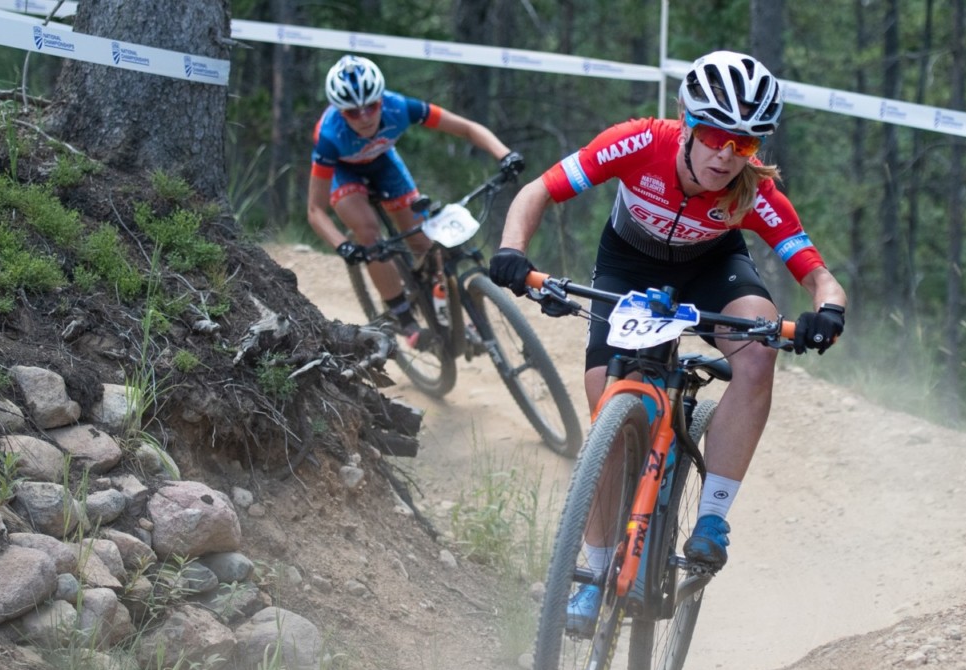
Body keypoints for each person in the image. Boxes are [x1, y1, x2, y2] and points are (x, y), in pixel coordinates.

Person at [488, 50, 847, 630]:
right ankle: (594, 573)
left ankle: (712, 520)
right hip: (628, 265)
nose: (726, 156)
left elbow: (818, 275)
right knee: (606, 405)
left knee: (758, 351)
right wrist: (511, 250)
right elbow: (538, 192)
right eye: (713, 136)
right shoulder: (637, 143)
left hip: (712, 269)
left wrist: (827, 312)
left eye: (745, 144)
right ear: (686, 120)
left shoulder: (752, 193)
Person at [307, 54, 524, 344]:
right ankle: (404, 318)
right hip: (345, 173)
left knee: (423, 241)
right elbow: (315, 210)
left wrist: (504, 154)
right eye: (352, 112)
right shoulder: (330, 137)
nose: (365, 117)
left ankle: (440, 305)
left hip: (383, 163)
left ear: (381, 100)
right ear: (340, 111)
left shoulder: (400, 107)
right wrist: (343, 246)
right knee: (369, 234)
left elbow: (466, 128)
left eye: (371, 106)